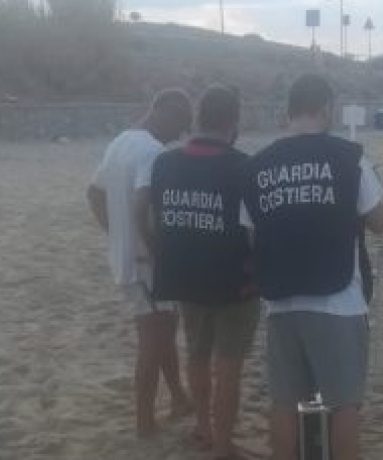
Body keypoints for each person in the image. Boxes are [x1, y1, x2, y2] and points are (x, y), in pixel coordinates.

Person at [239, 74, 383, 460]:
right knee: (344, 405)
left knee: (284, 402)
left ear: (288, 111)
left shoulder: (257, 166)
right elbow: (379, 221)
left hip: (280, 301)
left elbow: (251, 234)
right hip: (337, 299)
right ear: (326, 109)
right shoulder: (350, 156)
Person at [135, 85, 260, 460]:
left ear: (198, 119)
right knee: (229, 365)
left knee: (198, 355)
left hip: (183, 275)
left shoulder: (165, 163)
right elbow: (254, 230)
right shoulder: (243, 166)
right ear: (233, 122)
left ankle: (202, 427)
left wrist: (159, 249)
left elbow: (143, 211)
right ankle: (222, 445)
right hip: (232, 279)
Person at [86, 89, 193, 438]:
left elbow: (94, 193)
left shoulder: (121, 141)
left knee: (164, 327)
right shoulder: (152, 152)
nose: (180, 135)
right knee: (152, 338)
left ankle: (178, 396)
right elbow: (144, 210)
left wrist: (116, 234)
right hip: (144, 263)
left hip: (128, 256)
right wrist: (152, 250)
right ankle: (144, 421)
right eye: (180, 124)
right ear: (162, 110)